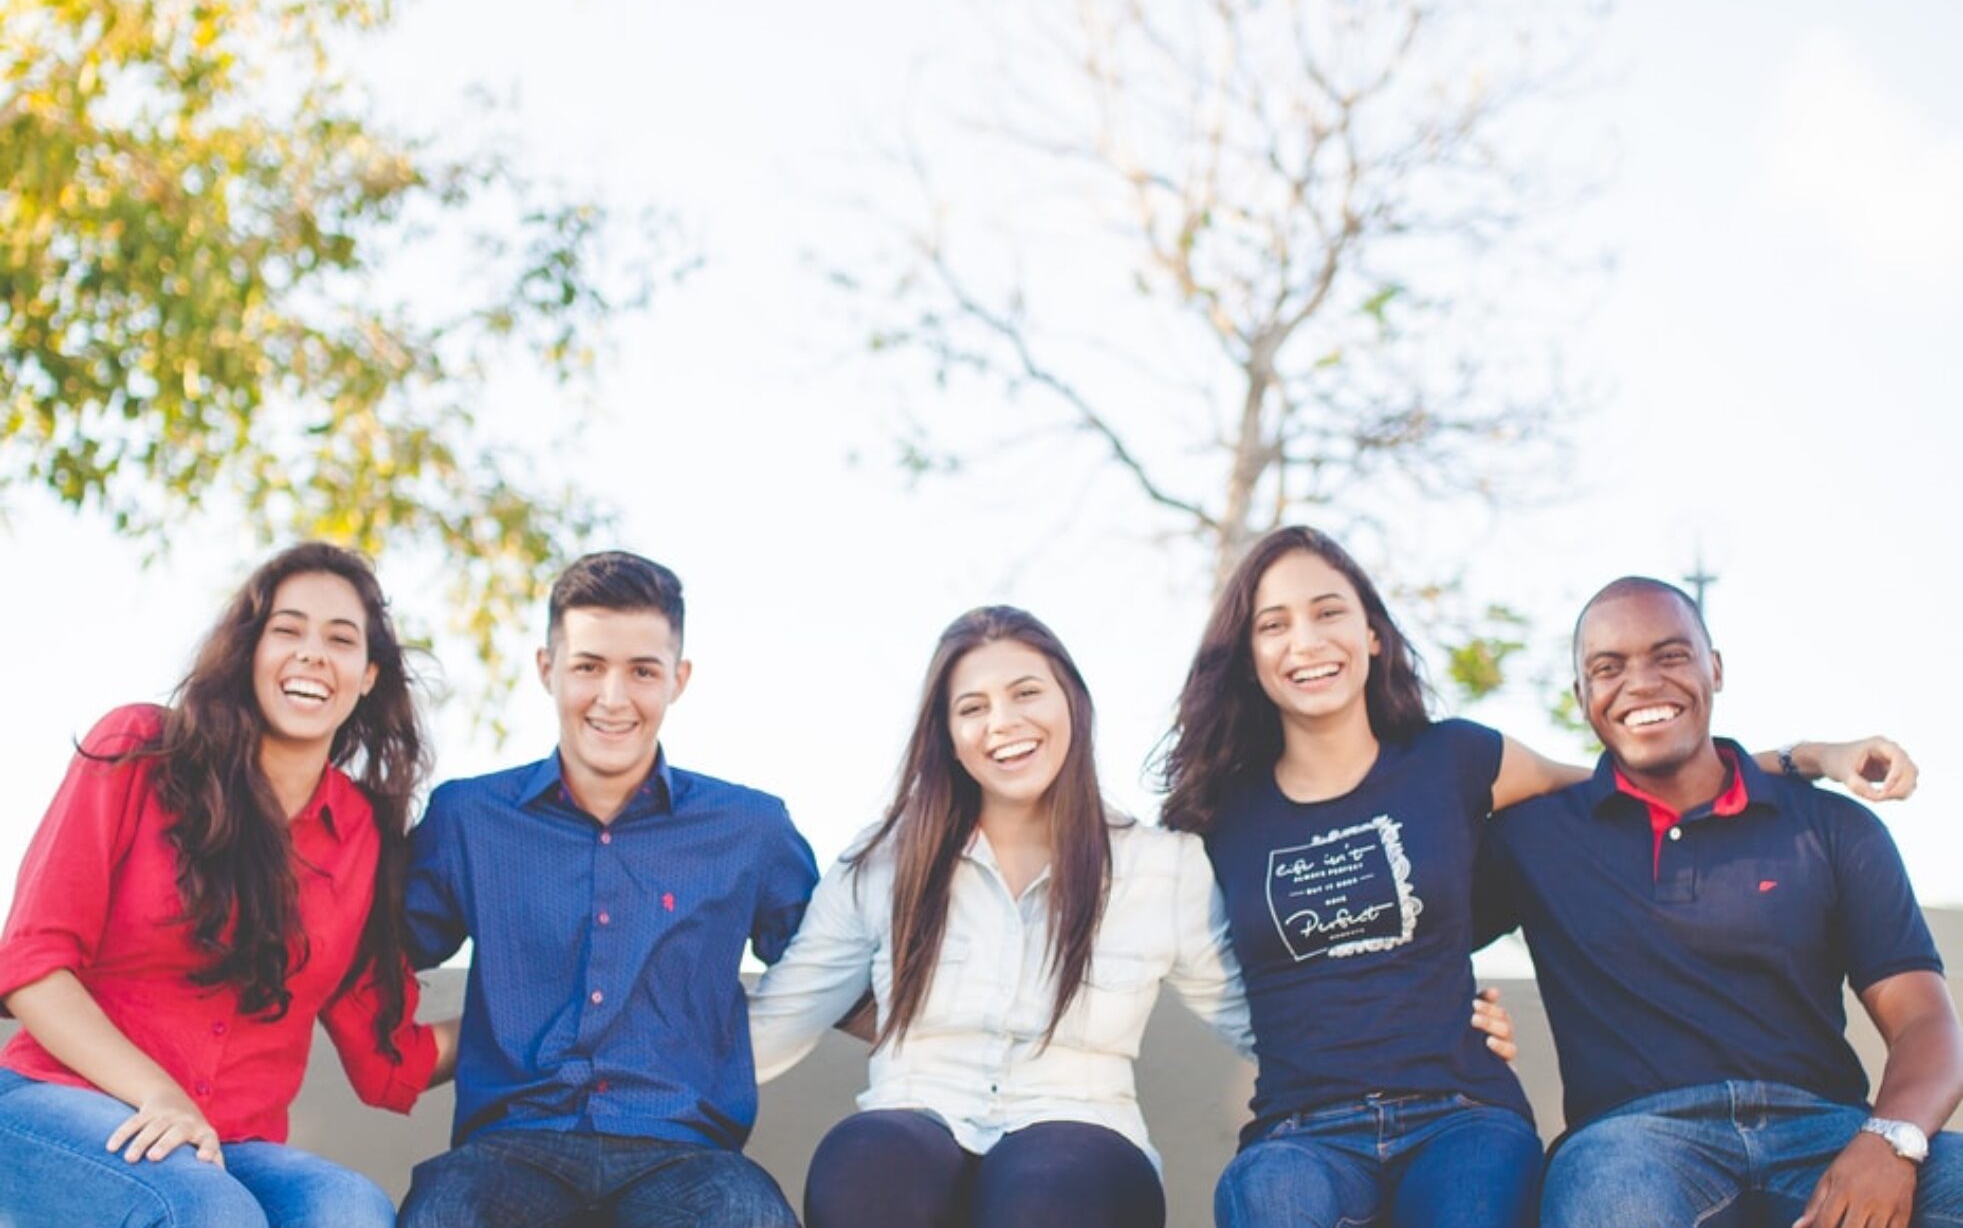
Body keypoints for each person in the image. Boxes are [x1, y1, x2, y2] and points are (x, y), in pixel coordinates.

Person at [1157, 526, 1913, 1228]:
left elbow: (1621, 783)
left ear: (1373, 635)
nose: (1307, 641)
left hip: (1460, 1111)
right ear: (1249, 653)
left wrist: (1806, 757)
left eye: (1328, 612)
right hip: (1299, 1124)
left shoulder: (1456, 759)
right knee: (1263, 1196)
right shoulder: (1219, 813)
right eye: (1274, 623)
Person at [745, 605, 1255, 1228]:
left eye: (1025, 693)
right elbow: (779, 1019)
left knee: (1049, 1190)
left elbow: (1260, 1022)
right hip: (914, 1112)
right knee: (866, 1168)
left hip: (1083, 1127)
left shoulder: (1162, 867)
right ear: (948, 736)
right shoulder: (883, 861)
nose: (1002, 722)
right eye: (972, 707)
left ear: (1072, 700)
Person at [1477, 576, 1963, 1228]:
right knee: (1610, 1197)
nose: (1641, 682)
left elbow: (1924, 1022)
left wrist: (1889, 1140)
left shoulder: (1829, 826)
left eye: (1669, 655)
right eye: (1607, 667)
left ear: (1714, 668)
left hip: (1824, 1133)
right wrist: (1463, 1014)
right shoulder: (1533, 837)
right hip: (1634, 1143)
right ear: (1581, 696)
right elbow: (1402, 943)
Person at [0, 542, 456, 1228]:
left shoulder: (361, 836)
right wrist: (160, 1094)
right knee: (209, 1211)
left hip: (228, 1144)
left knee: (351, 1211)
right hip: (54, 1102)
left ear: (366, 676)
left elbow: (389, 1060)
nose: (311, 653)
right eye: (287, 630)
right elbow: (32, 966)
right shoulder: (140, 750)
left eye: (339, 639)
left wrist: (536, 1017)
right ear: (249, 652)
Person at [398, 550, 817, 1228]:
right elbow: (367, 954)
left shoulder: (751, 829)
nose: (613, 698)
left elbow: (832, 967)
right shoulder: (468, 818)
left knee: (750, 1216)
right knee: (443, 1214)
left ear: (677, 680)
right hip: (508, 1149)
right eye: (588, 666)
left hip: (687, 1156)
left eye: (642, 671)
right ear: (547, 669)